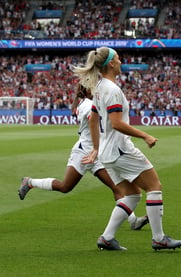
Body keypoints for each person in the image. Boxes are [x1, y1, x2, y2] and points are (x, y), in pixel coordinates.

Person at [74, 47, 181, 251]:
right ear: (111, 64)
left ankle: (107, 238)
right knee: (154, 186)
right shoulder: (112, 90)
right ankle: (159, 238)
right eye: (117, 57)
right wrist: (145, 135)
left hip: (108, 153)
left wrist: (97, 148)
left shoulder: (99, 87)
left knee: (132, 195)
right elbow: (116, 123)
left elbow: (93, 118)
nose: (121, 60)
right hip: (120, 149)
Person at [18, 84, 149, 231]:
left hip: (96, 153)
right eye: (94, 87)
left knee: (116, 187)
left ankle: (133, 221)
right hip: (83, 153)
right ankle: (29, 182)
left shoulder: (93, 103)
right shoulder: (87, 105)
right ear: (87, 90)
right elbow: (95, 120)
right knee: (65, 187)